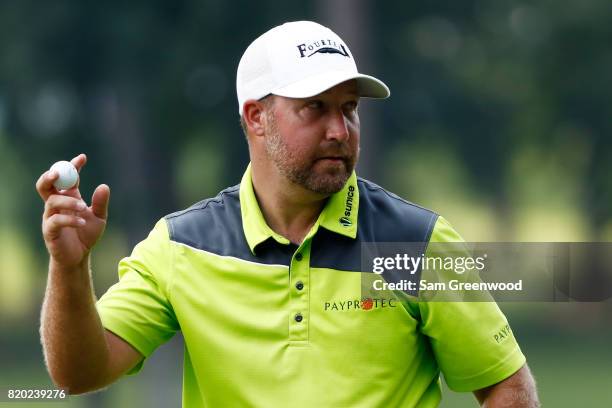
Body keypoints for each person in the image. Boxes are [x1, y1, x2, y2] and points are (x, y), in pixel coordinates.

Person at [37, 21, 539, 407]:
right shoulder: (180, 246)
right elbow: (79, 373)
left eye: (348, 109)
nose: (340, 130)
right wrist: (69, 268)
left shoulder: (416, 242)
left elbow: (506, 387)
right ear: (256, 117)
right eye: (315, 108)